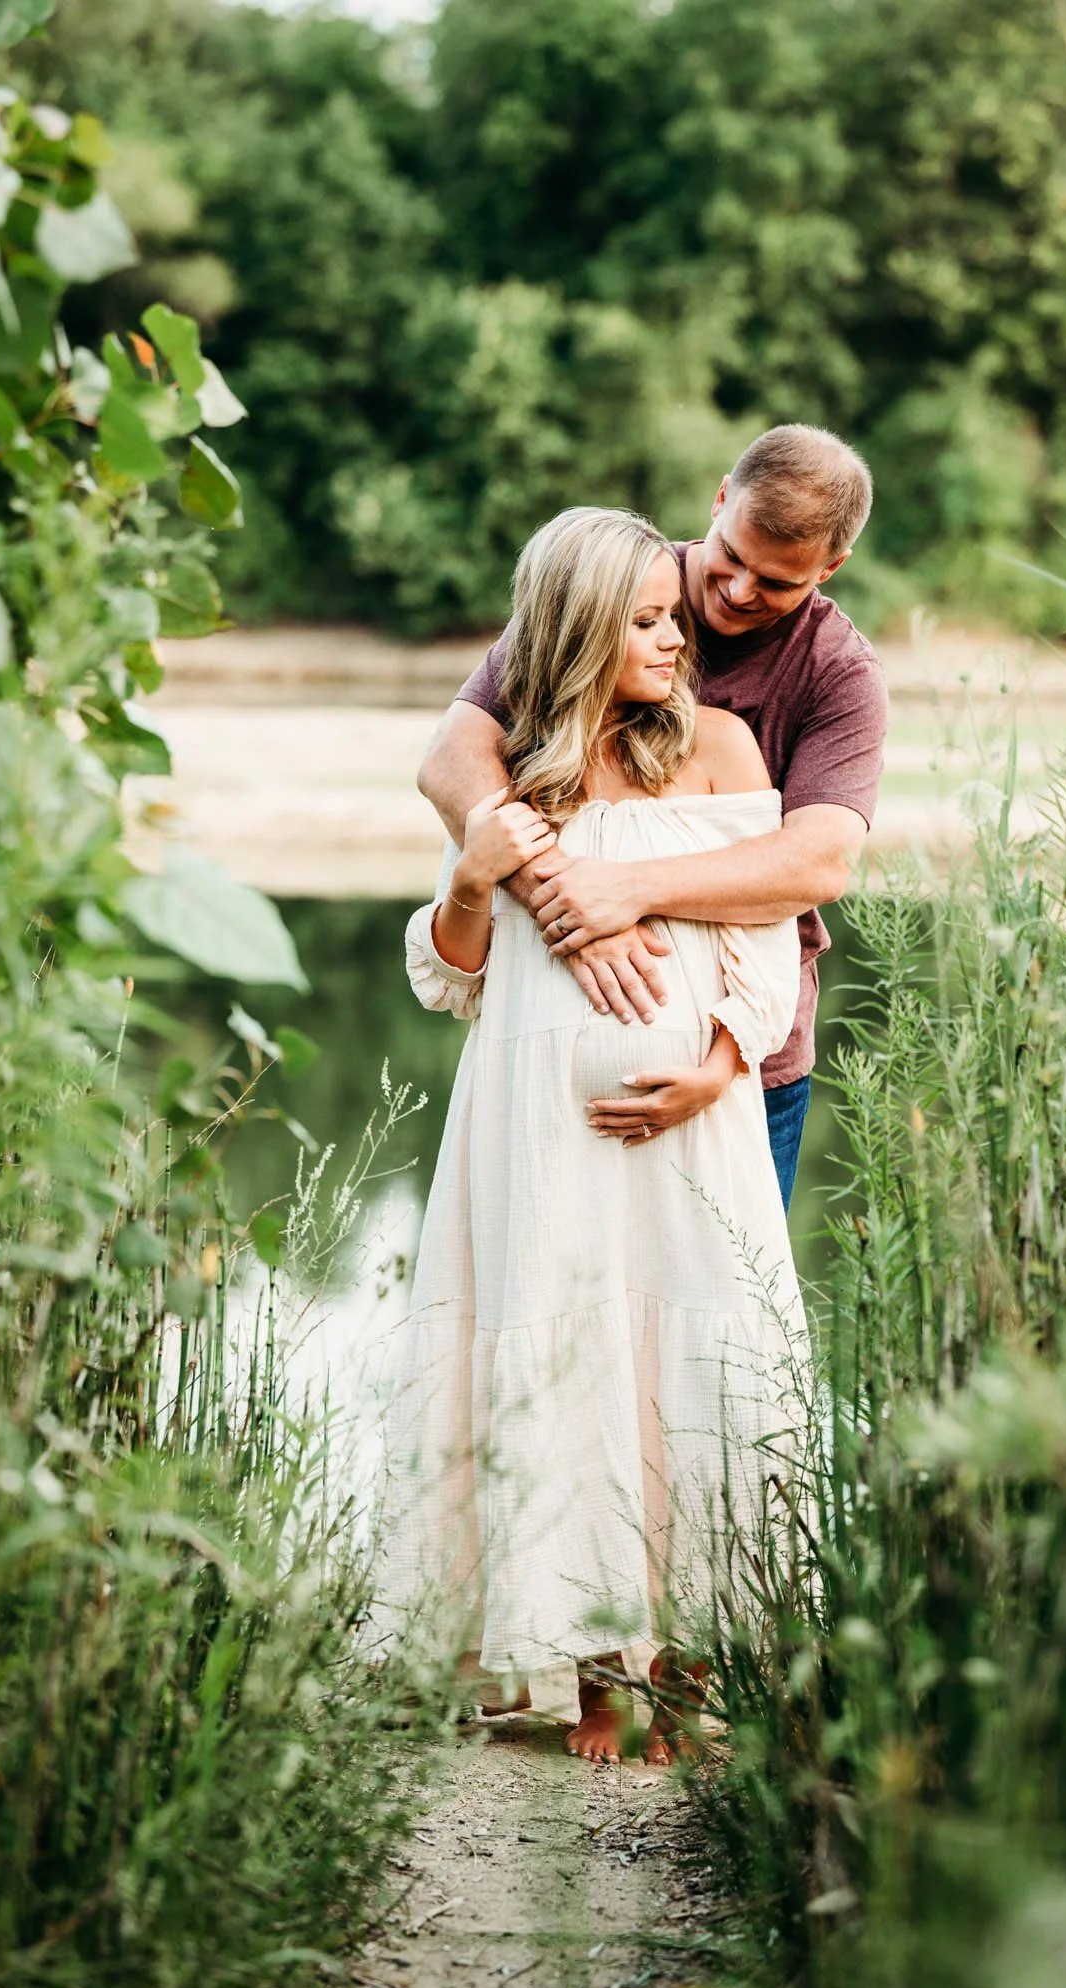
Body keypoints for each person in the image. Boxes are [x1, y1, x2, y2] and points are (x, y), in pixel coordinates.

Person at [372, 506, 807, 1764]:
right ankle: (586, 1667)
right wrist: (471, 869)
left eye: (671, 617)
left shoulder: (719, 752)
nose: (676, 639)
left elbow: (762, 937)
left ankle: (680, 1663)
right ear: (572, 630)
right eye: (647, 621)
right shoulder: (513, 777)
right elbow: (452, 975)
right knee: (567, 1366)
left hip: (686, 1124)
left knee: (691, 1360)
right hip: (530, 1131)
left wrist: (715, 1070)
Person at [418, 425, 890, 1209]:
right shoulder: (614, 587)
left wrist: (629, 892)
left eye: (776, 583)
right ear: (718, 500)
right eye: (730, 556)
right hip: (539, 1065)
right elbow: (451, 761)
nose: (737, 592)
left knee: (729, 1314)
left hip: (743, 1069)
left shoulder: (835, 672)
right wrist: (565, 897)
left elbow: (817, 863)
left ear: (831, 567)